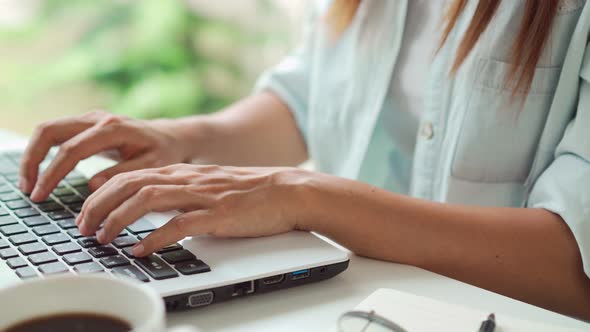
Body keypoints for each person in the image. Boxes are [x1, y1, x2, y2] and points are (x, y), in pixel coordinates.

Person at [17, 0, 590, 319]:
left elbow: (573, 264)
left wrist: (304, 198)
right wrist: (183, 137)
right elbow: (310, 99)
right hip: (358, 308)